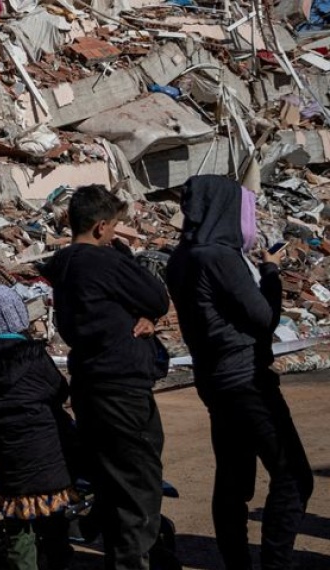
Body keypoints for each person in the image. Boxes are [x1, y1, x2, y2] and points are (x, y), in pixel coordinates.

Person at [166, 175, 314, 570]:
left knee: (233, 479)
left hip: (213, 380)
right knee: (294, 477)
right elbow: (265, 318)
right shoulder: (219, 257)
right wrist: (270, 272)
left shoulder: (182, 257)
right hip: (245, 379)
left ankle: (237, 563)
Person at [41, 185, 170, 570]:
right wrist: (122, 258)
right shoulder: (102, 261)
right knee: (138, 486)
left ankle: (123, 554)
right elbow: (156, 297)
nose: (117, 234)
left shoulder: (63, 264)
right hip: (121, 386)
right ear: (100, 227)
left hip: (93, 382)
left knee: (114, 480)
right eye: (114, 227)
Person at [0, 284, 76, 569]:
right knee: (55, 526)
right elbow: (59, 391)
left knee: (19, 532)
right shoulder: (34, 355)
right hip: (48, 455)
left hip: (8, 459)